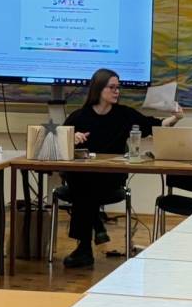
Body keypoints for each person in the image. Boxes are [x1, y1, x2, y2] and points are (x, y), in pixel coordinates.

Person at [62, 68, 183, 268]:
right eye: (112, 87)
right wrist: (71, 137)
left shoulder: (124, 115)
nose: (117, 91)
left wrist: (176, 118)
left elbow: (153, 125)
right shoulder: (79, 116)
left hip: (111, 178)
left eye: (118, 87)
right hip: (84, 178)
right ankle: (94, 229)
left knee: (82, 187)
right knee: (83, 182)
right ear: (99, 89)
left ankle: (86, 245)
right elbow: (58, 138)